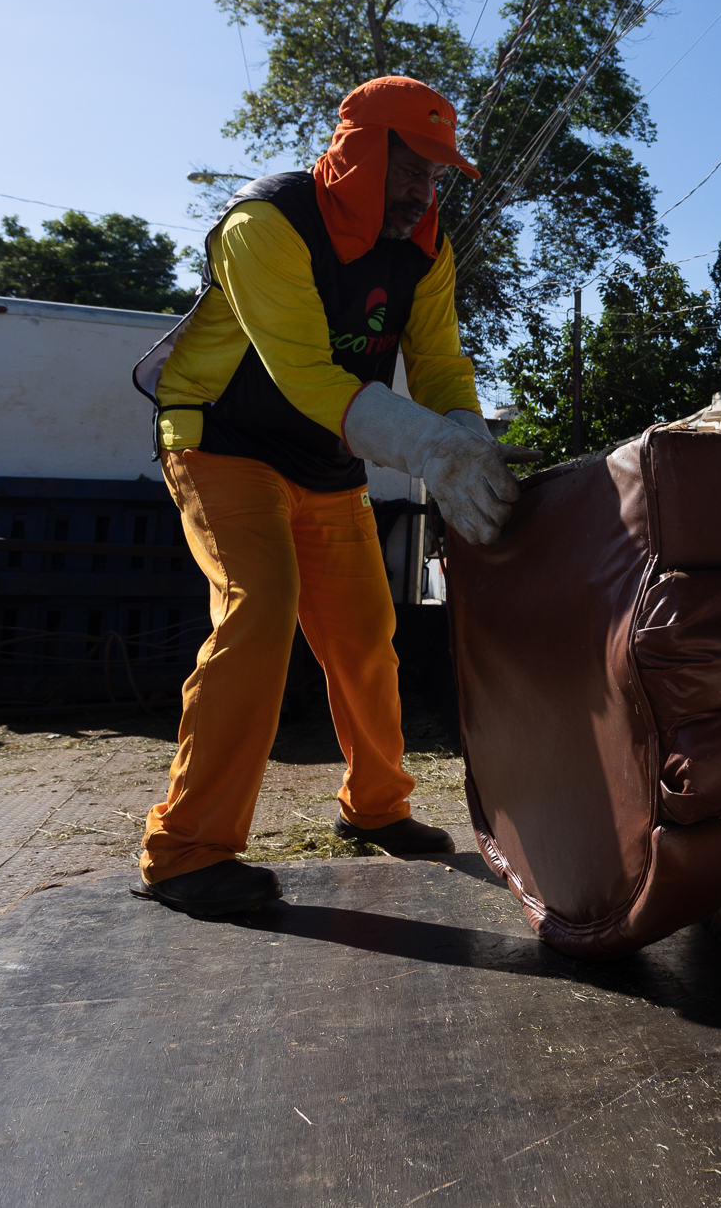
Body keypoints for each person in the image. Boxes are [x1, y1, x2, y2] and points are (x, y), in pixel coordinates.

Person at [128, 75, 532, 916]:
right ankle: (186, 851)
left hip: (325, 456)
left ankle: (376, 808)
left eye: (436, 172)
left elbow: (441, 362)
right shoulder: (264, 224)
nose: (425, 189)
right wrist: (428, 449)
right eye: (411, 166)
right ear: (357, 152)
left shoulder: (426, 244)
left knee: (365, 634)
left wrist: (472, 449)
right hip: (221, 440)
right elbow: (306, 372)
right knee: (261, 607)